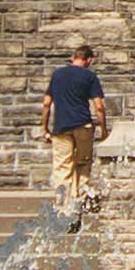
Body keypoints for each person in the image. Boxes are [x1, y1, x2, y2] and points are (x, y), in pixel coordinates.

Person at [41, 39, 109, 209]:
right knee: (83, 164)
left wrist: (44, 128)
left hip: (61, 128)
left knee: (62, 169)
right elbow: (99, 107)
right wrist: (103, 130)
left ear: (73, 57)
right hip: (83, 126)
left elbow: (46, 104)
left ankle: (62, 209)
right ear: (89, 60)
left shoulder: (57, 75)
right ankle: (80, 203)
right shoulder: (90, 76)